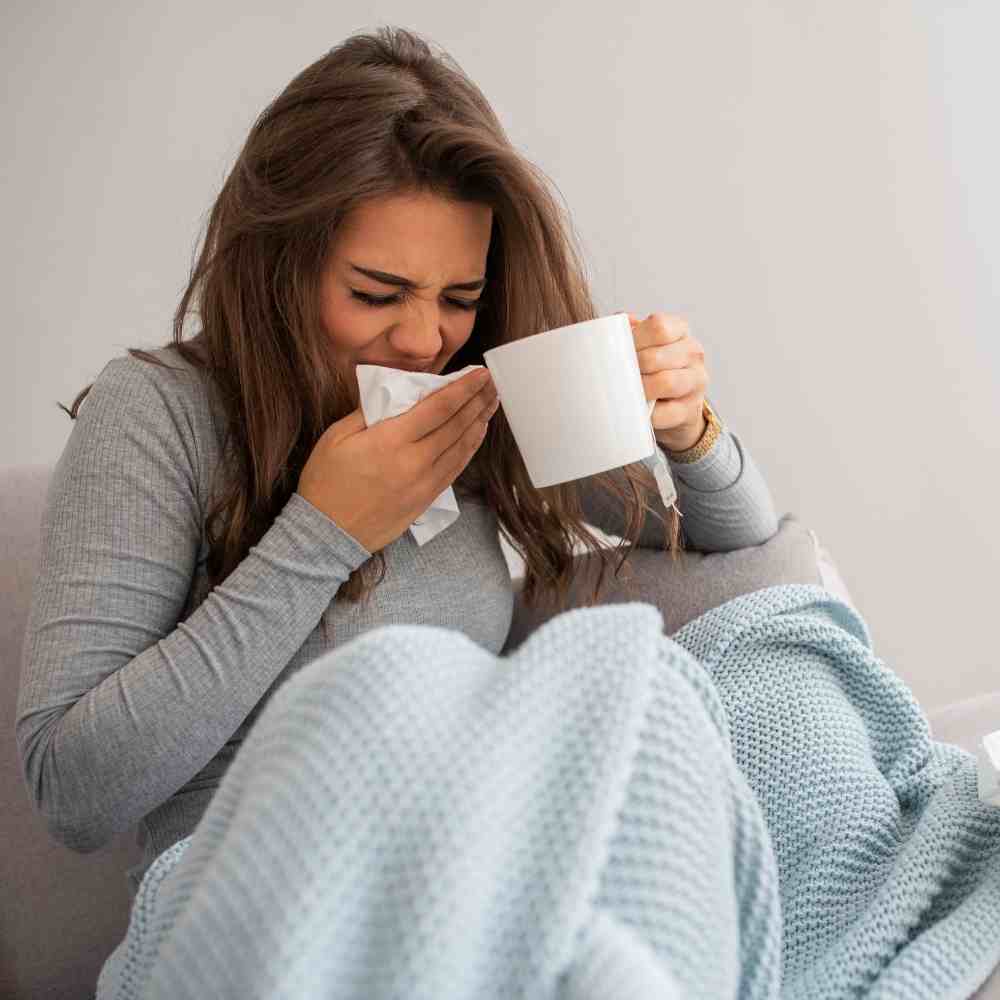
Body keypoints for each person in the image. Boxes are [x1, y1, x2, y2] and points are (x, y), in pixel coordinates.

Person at [15, 25, 779, 905]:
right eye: (375, 294)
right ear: (278, 268)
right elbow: (70, 790)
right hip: (258, 906)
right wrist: (318, 537)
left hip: (482, 874)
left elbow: (743, 546)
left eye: (459, 298)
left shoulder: (478, 395)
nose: (423, 341)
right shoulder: (159, 414)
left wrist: (690, 431)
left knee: (767, 655)